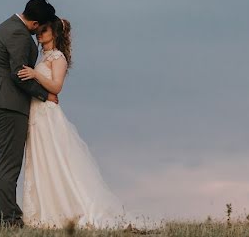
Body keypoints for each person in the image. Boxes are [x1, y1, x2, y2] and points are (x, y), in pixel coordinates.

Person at [18, 17, 150, 229]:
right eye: (39, 30)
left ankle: (66, 209)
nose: (40, 34)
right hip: (36, 114)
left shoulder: (57, 57)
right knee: (41, 160)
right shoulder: (42, 57)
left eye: (44, 30)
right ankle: (43, 209)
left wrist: (34, 74)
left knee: (55, 160)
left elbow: (57, 86)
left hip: (48, 116)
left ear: (54, 33)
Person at [0, 0, 59, 227]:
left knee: (5, 163)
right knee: (10, 166)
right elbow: (19, 74)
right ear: (34, 23)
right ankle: (12, 220)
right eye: (40, 28)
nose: (38, 34)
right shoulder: (19, 34)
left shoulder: (6, 26)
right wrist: (46, 95)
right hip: (9, 106)